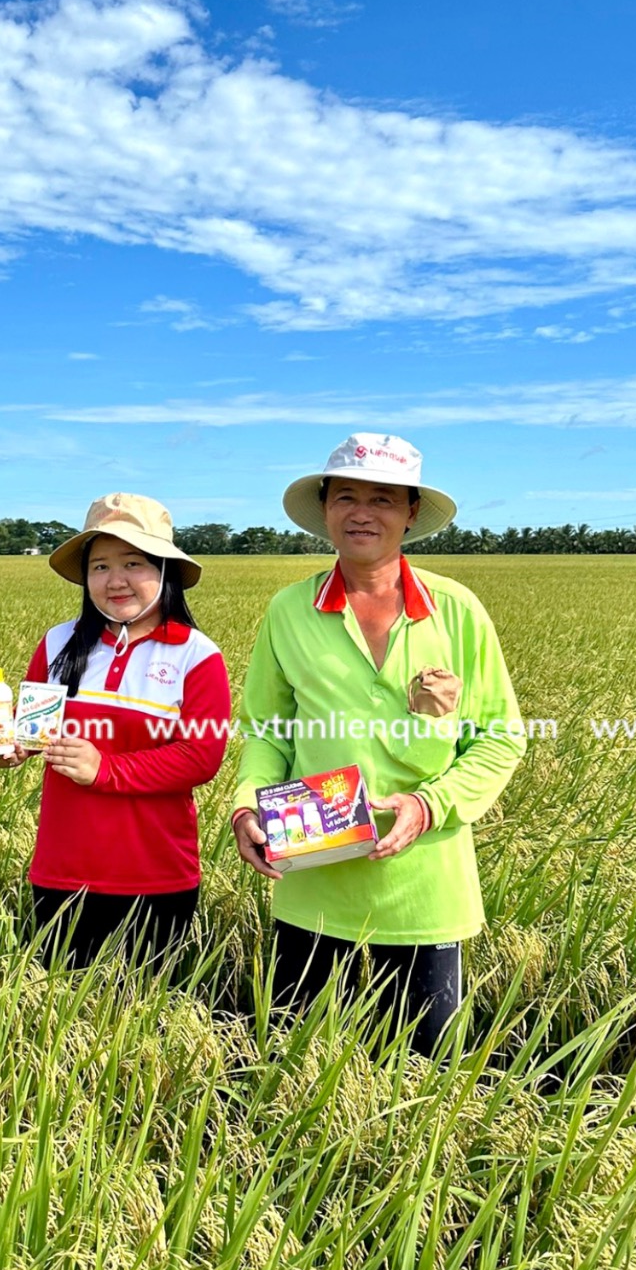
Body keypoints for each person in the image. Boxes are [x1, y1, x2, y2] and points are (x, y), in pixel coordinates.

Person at [231, 435, 524, 1053]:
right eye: (347, 497)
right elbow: (266, 729)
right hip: (313, 875)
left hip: (425, 886)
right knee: (292, 1058)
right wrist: (246, 805)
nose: (363, 512)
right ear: (326, 507)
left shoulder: (457, 611)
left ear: (411, 511)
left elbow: (500, 736)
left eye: (383, 499)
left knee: (426, 1072)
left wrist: (427, 806)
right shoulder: (289, 610)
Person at [0, 494, 231, 967]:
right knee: (57, 1011)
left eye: (133, 563)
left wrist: (105, 769)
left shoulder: (196, 654)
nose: (115, 580)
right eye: (100, 566)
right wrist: (13, 747)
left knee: (142, 1019)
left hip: (156, 875)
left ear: (164, 570)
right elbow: (34, 731)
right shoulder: (58, 642)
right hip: (61, 870)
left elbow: (200, 757)